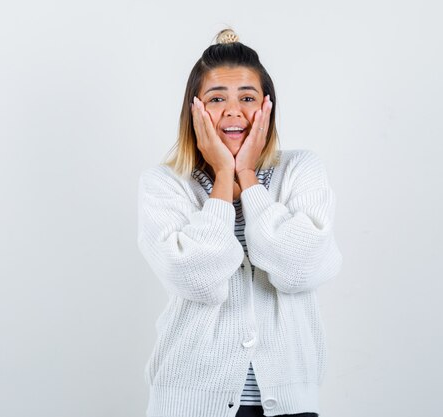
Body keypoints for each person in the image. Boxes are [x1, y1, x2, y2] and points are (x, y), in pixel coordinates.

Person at [136, 28, 343, 417]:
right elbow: (197, 280)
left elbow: (298, 269)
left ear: (267, 107)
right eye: (217, 99)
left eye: (247, 98)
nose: (233, 111)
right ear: (194, 110)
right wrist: (220, 181)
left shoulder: (301, 170)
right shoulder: (164, 184)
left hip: (290, 406)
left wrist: (247, 175)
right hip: (188, 404)